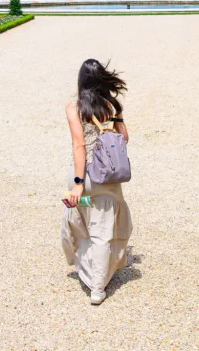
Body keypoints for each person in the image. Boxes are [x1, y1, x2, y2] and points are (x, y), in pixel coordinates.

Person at [61, 59, 133, 306]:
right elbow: (124, 139)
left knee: (81, 222)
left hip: (86, 179)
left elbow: (79, 145)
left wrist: (78, 183)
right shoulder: (111, 106)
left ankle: (87, 269)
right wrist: (118, 114)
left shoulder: (74, 107)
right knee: (102, 231)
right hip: (109, 179)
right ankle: (98, 288)